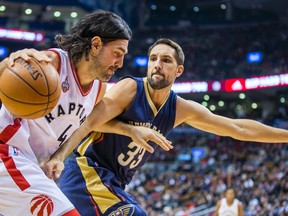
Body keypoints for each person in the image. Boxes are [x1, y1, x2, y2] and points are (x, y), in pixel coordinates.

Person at [42, 38, 288, 215]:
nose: (157, 64)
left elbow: (238, 128)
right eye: (153, 58)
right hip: (86, 171)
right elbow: (88, 121)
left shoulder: (180, 108)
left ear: (178, 70)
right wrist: (129, 130)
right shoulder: (130, 88)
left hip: (113, 183)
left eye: (166, 60)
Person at [0, 11, 172, 216]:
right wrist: (11, 61)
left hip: (35, 167)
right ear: (96, 44)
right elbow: (9, 75)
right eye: (117, 53)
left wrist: (129, 130)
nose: (120, 63)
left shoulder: (98, 89)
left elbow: (89, 124)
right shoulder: (52, 63)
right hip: (8, 152)